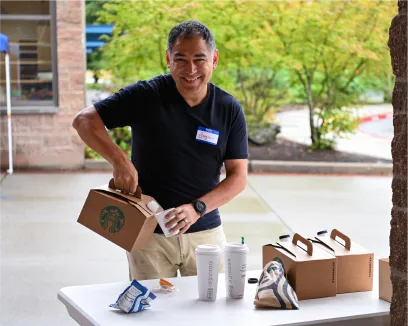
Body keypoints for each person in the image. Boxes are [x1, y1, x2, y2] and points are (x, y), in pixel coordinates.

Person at [72, 21, 248, 280]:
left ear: (214, 59)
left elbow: (238, 177)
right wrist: (119, 160)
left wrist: (197, 208)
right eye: (180, 59)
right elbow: (84, 121)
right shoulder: (146, 96)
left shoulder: (228, 109)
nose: (190, 70)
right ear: (168, 58)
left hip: (205, 234)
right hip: (147, 235)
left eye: (199, 59)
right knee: (151, 316)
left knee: (211, 314)